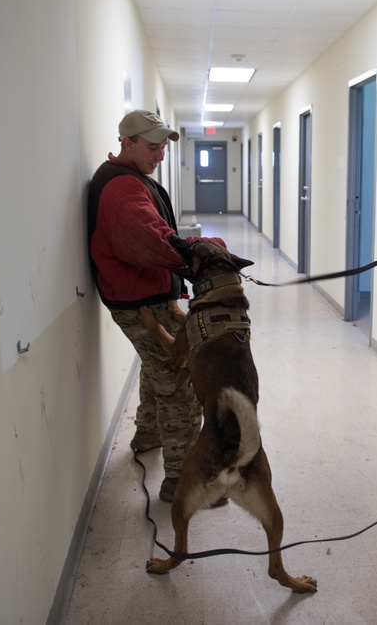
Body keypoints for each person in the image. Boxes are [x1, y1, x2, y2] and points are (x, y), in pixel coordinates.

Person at [87, 109, 219, 503]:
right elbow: (152, 242)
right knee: (180, 382)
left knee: (157, 365)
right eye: (151, 146)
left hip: (140, 293)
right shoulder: (122, 190)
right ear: (127, 142)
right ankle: (180, 481)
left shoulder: (131, 179)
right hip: (139, 300)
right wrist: (202, 254)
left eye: (163, 147)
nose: (160, 155)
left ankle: (148, 433)